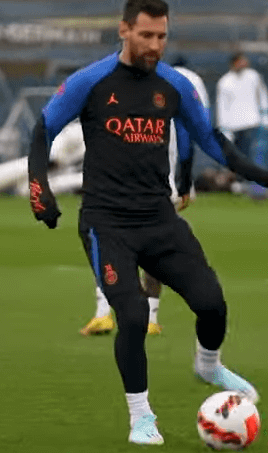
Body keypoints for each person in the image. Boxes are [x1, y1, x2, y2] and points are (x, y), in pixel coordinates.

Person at [28, 0, 268, 445]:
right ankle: (142, 417)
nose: (155, 45)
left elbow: (213, 141)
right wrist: (41, 189)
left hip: (159, 219)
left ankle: (208, 367)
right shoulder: (90, 81)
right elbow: (43, 130)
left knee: (212, 303)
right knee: (132, 315)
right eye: (146, 35)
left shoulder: (174, 85)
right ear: (124, 30)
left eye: (162, 36)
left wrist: (265, 176)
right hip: (106, 223)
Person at [79, 56, 209, 337]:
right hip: (166, 183)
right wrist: (186, 181)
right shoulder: (185, 85)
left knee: (107, 242)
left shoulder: (120, 83)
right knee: (154, 248)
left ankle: (103, 313)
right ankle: (150, 317)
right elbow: (194, 131)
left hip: (122, 184)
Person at [215, 52, 268, 196]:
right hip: (234, 126)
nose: (244, 64)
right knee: (238, 158)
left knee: (255, 155)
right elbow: (222, 106)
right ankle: (239, 185)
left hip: (252, 123)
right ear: (234, 63)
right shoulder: (225, 82)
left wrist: (265, 115)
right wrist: (224, 128)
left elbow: (262, 95)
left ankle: (259, 189)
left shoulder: (253, 77)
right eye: (240, 61)